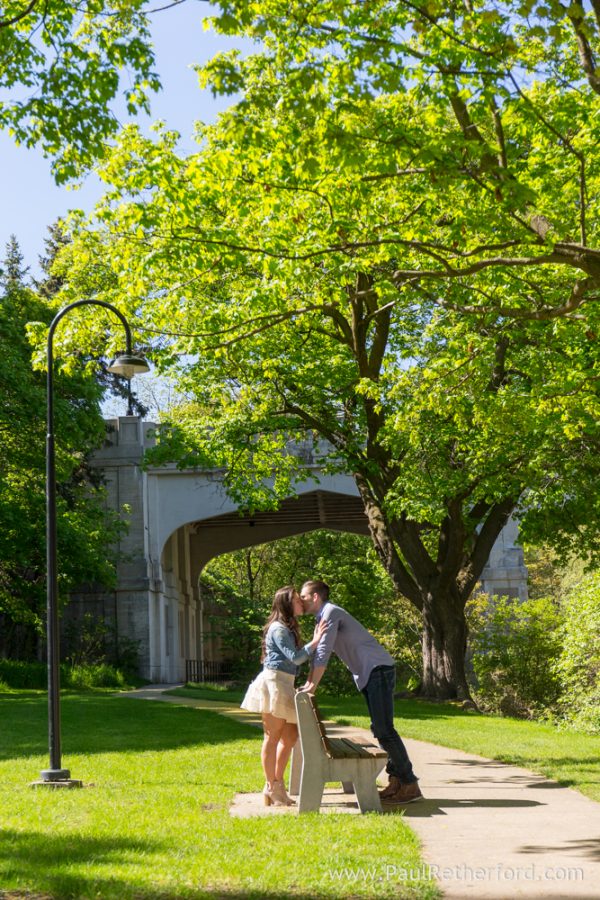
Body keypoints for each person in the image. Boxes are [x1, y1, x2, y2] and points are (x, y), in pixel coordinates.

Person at [299, 579, 423, 804]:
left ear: (315, 597)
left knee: (385, 729)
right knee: (380, 728)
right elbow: (319, 653)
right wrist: (309, 683)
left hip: (377, 669)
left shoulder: (331, 612)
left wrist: (312, 686)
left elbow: (324, 651)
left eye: (304, 596)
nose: (301, 600)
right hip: (370, 673)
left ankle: (409, 783)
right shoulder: (323, 617)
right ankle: (396, 781)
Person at [241, 585, 328, 806]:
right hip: (274, 683)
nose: (302, 603)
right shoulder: (278, 629)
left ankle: (276, 784)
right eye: (298, 600)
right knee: (272, 737)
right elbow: (296, 658)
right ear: (288, 604)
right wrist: (315, 641)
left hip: (286, 684)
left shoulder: (287, 628)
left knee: (289, 737)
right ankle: (272, 786)